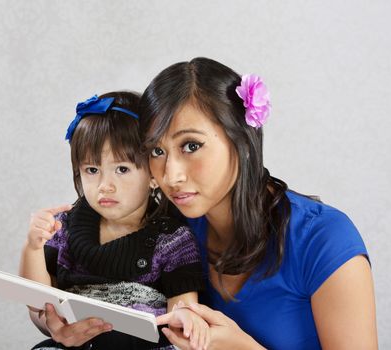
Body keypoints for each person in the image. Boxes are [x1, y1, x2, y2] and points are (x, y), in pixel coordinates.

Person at [138, 57, 378, 349]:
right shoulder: (170, 227)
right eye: (157, 151)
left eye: (191, 146)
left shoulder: (324, 240)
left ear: (242, 139)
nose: (171, 175)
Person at [19, 91, 210, 350]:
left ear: (153, 175)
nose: (105, 186)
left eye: (122, 169)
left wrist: (186, 317)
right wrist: (32, 246)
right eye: (92, 170)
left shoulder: (170, 238)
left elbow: (182, 306)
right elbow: (37, 302)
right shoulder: (64, 226)